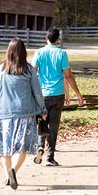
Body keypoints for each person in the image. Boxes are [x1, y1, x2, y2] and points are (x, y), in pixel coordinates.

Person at [0, 38, 46, 190]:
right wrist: (43, 110)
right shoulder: (28, 70)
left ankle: (7, 175)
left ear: (8, 51)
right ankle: (13, 171)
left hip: (2, 115)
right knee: (22, 147)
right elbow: (37, 93)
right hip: (25, 114)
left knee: (4, 147)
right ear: (24, 52)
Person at [32, 27, 85, 166]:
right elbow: (68, 75)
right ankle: (50, 157)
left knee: (42, 122)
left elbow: (32, 73)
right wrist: (78, 94)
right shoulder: (62, 54)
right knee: (54, 126)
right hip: (58, 94)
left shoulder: (39, 53)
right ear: (57, 40)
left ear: (46, 38)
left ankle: (40, 146)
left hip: (42, 95)